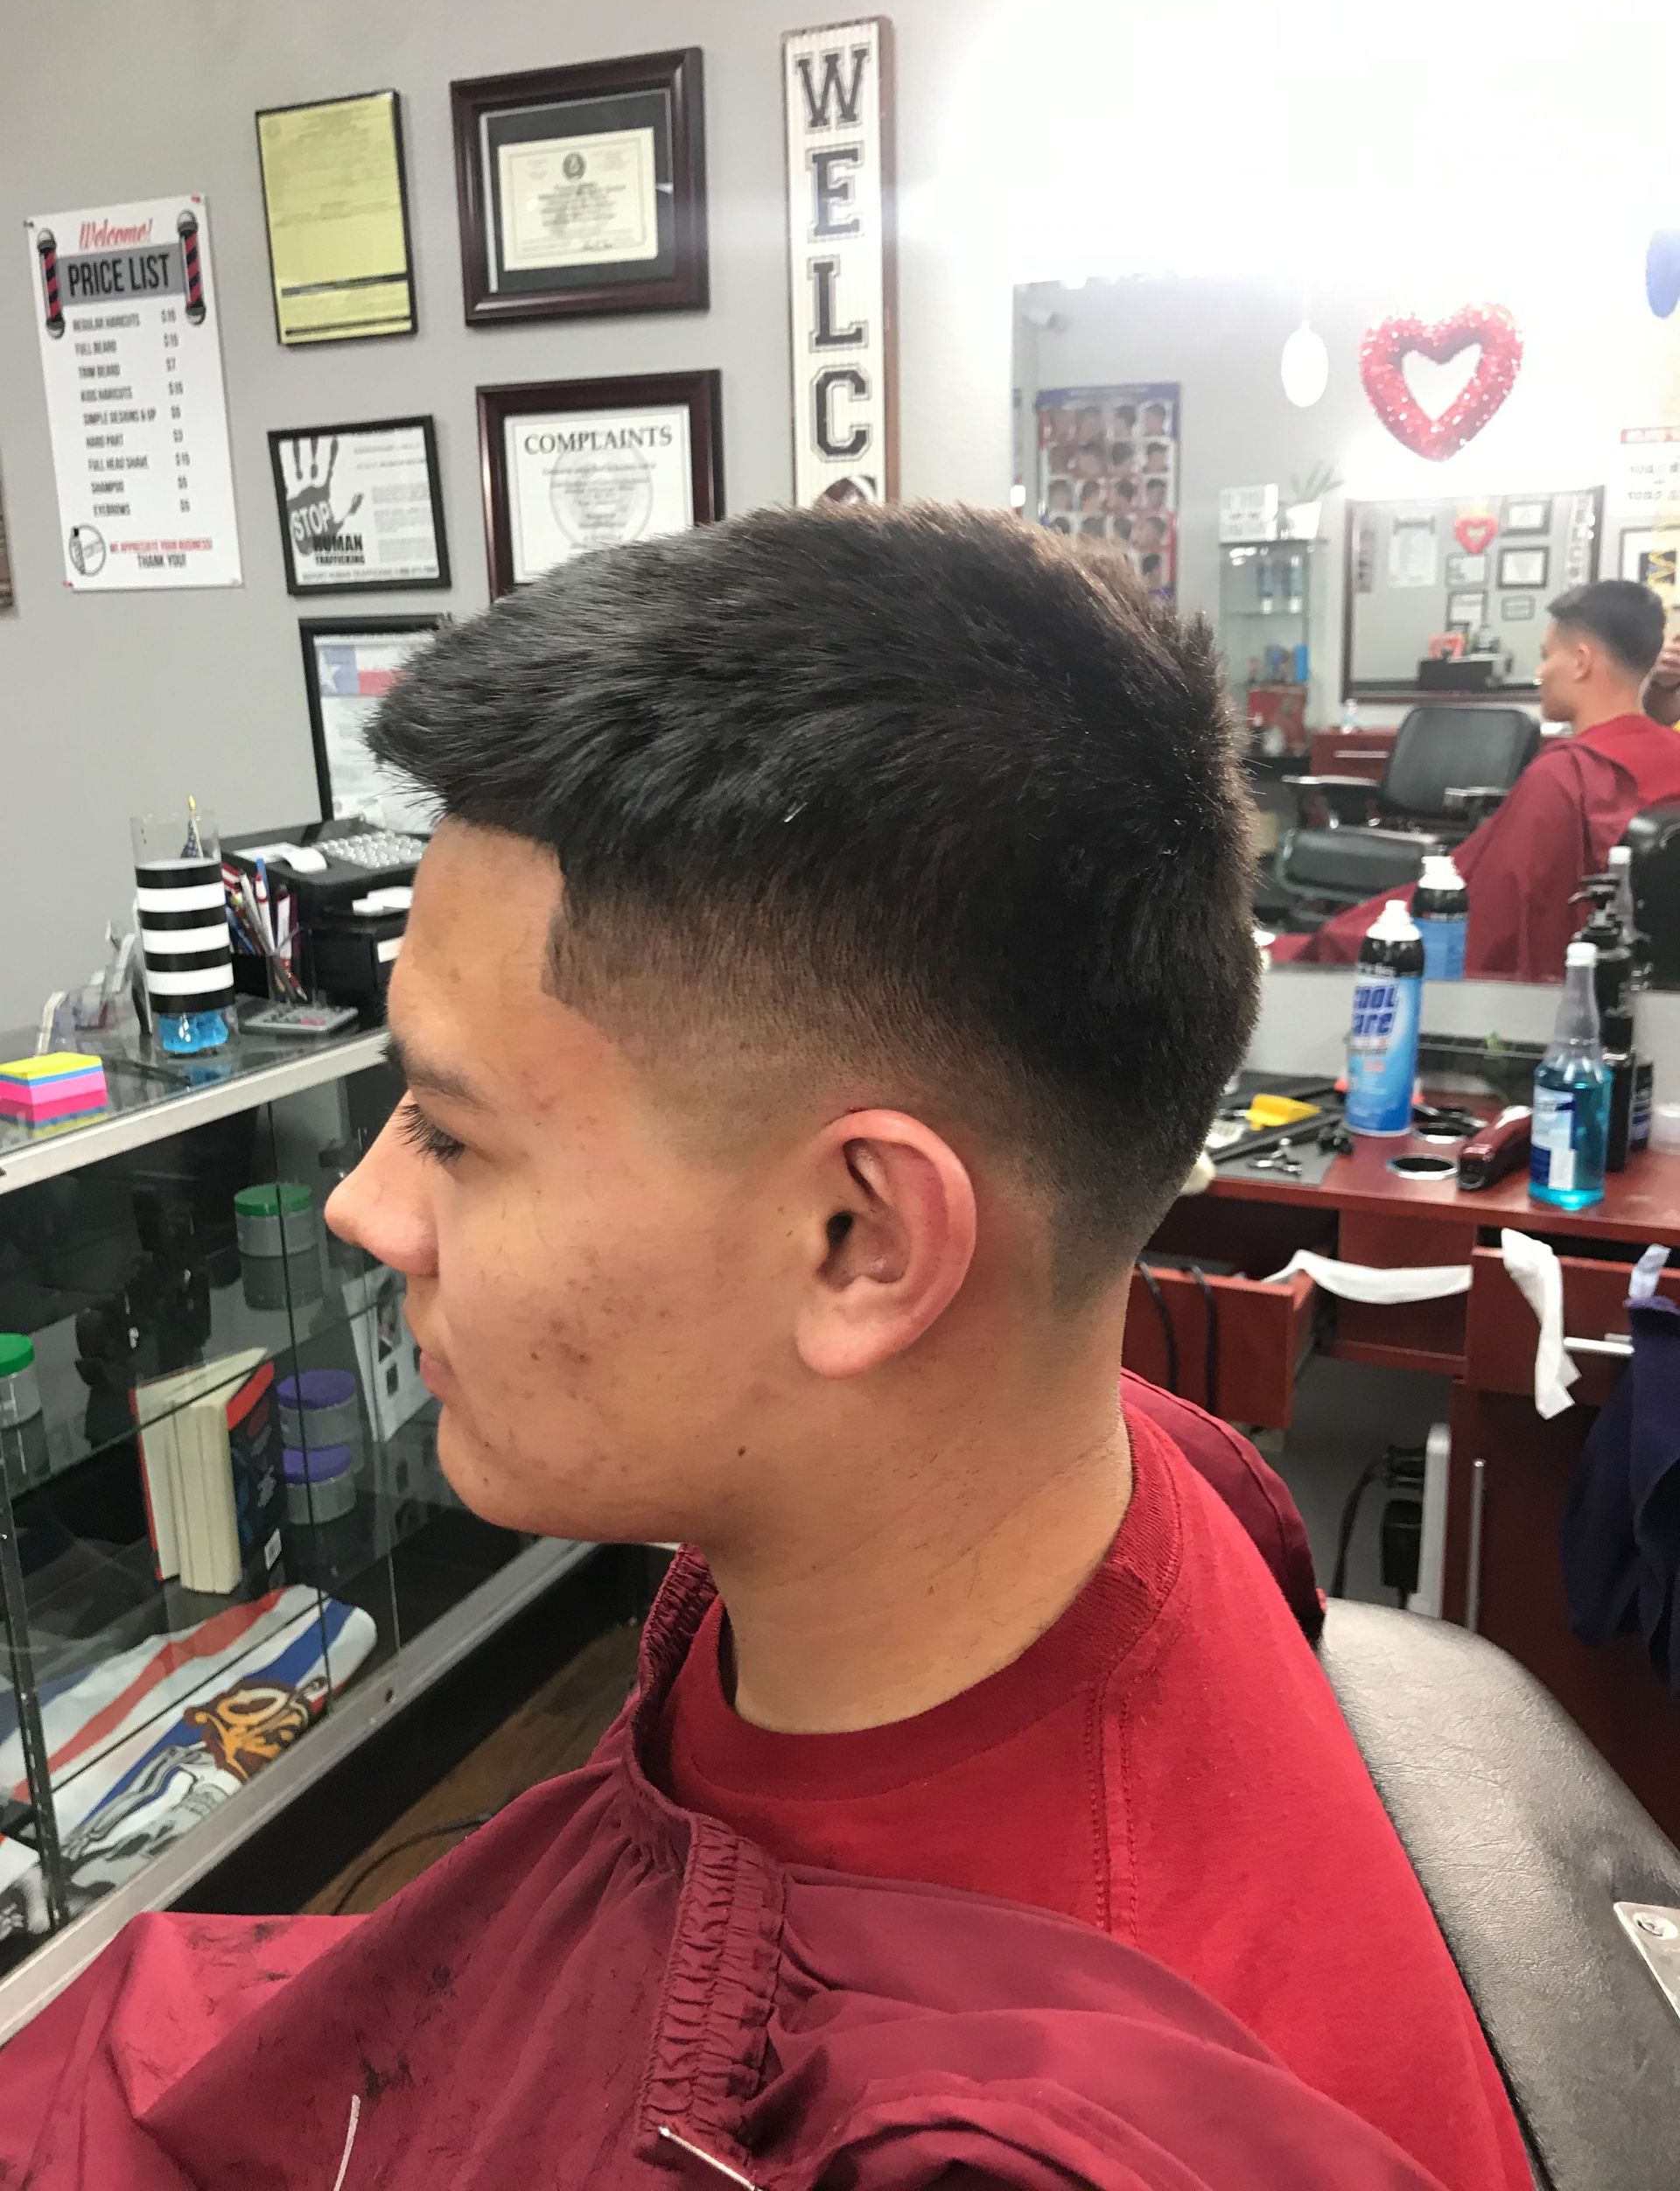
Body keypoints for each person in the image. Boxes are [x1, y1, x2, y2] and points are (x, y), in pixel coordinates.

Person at [1, 509, 1527, 2191]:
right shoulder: (1078, 1484)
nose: (365, 1208)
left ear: (859, 1243)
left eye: (447, 1132)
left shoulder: (971, 2142)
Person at [1280, 579, 1680, 976]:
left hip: (1548, 989)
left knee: (1339, 939)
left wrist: (1343, 938)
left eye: (1546, 656)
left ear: (1581, 661)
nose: (1540, 673)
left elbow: (1488, 924)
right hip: (1642, 980)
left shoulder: (1566, 775)